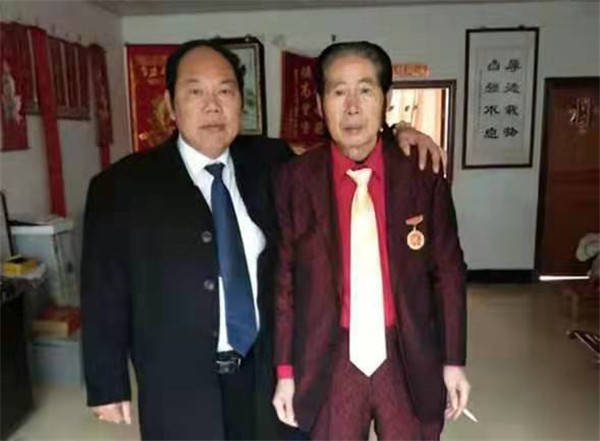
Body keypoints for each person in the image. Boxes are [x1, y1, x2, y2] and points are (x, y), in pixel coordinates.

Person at [81, 38, 444, 440]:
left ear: (241, 101)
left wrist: (399, 134)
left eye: (225, 91)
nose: (212, 106)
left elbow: (347, 146)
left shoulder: (271, 161)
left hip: (265, 372)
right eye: (195, 92)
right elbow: (103, 291)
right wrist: (106, 383)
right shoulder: (121, 187)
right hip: (178, 382)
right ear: (170, 103)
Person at [272, 41, 470, 440]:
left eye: (365, 90)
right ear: (319, 102)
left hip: (405, 354)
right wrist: (285, 372)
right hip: (331, 358)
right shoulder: (295, 180)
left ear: (386, 99)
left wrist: (453, 361)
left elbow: (448, 273)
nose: (352, 107)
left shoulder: (422, 174)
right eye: (338, 92)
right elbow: (285, 281)